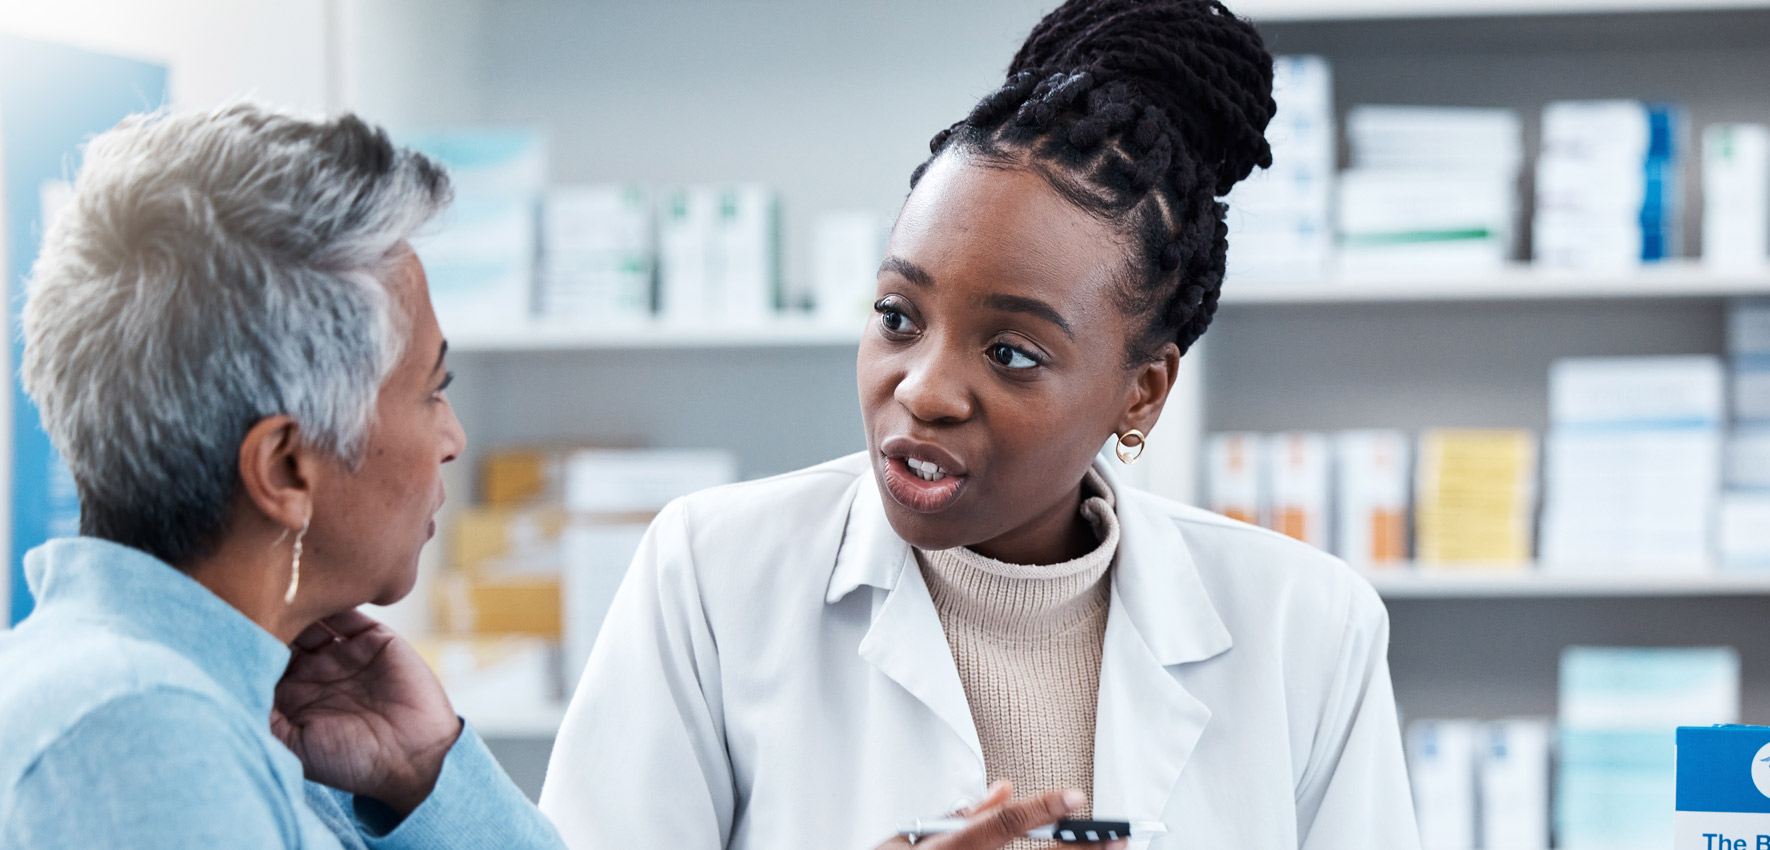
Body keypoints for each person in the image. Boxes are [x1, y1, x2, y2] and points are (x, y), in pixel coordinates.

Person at [0, 102, 1096, 850]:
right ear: (286, 467)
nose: (451, 439)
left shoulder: (248, 708)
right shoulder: (136, 727)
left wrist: (432, 774)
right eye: (431, 388)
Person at [540, 1, 1420, 848]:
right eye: (897, 315)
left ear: (1141, 393)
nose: (923, 391)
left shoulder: (1304, 626)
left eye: (1010, 354)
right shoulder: (713, 574)